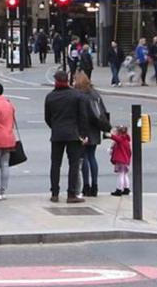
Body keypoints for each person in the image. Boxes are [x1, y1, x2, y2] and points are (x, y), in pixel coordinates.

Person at [42, 72, 90, 204]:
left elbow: (47, 118)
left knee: (55, 164)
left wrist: (55, 127)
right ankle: (71, 194)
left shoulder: (50, 97)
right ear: (68, 80)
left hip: (57, 134)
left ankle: (55, 193)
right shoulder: (77, 96)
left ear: (56, 81)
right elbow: (83, 117)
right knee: (73, 165)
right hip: (74, 135)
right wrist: (83, 134)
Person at [76, 77, 111, 195]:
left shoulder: (81, 96)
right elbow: (104, 112)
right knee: (92, 156)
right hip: (96, 129)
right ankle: (95, 185)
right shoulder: (96, 95)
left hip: (84, 129)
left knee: (84, 157)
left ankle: (86, 185)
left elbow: (80, 115)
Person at [110, 122, 134, 197]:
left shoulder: (120, 140)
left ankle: (119, 189)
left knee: (120, 175)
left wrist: (110, 135)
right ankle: (126, 188)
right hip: (125, 160)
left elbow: (115, 138)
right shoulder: (126, 140)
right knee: (125, 174)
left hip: (120, 160)